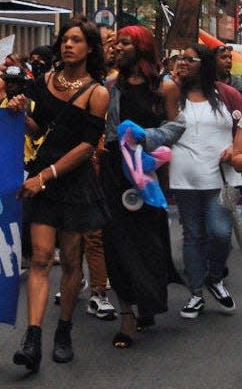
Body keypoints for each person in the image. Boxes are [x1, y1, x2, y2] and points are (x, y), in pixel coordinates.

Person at [9, 16, 109, 372]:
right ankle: (33, 338)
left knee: (69, 262)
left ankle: (63, 330)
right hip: (42, 180)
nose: (68, 45)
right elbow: (39, 132)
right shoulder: (44, 81)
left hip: (73, 184)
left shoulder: (98, 92)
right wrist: (20, 114)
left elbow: (86, 148)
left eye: (77, 40)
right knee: (39, 258)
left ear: (90, 48)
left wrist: (46, 176)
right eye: (65, 39)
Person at [99, 25, 183, 348]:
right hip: (115, 171)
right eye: (116, 42)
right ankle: (127, 315)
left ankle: (148, 299)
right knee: (116, 242)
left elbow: (177, 126)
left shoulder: (165, 87)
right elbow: (108, 129)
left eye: (125, 43)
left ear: (142, 47)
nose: (117, 47)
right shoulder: (111, 84)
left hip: (147, 173)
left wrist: (146, 138)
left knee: (148, 242)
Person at [169, 43, 240, 319]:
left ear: (205, 63)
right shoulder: (173, 94)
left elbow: (241, 128)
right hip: (184, 179)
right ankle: (196, 293)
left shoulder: (229, 96)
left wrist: (234, 150)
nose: (183, 63)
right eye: (180, 58)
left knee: (221, 232)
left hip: (223, 180)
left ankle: (214, 277)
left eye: (190, 59)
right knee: (194, 235)